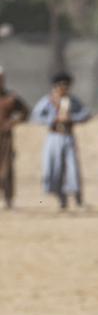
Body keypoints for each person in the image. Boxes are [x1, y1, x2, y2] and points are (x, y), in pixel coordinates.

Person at [31, 72, 91, 209]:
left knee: (73, 168)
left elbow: (86, 114)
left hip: (68, 136)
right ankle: (61, 199)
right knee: (55, 168)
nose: (64, 88)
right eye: (61, 85)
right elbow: (36, 116)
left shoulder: (72, 101)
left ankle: (78, 199)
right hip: (54, 137)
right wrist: (53, 120)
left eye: (66, 85)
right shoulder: (48, 101)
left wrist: (71, 118)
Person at [0, 67, 29, 209]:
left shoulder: (10, 98)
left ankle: (8, 199)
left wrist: (13, 122)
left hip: (5, 139)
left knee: (6, 169)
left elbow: (25, 112)